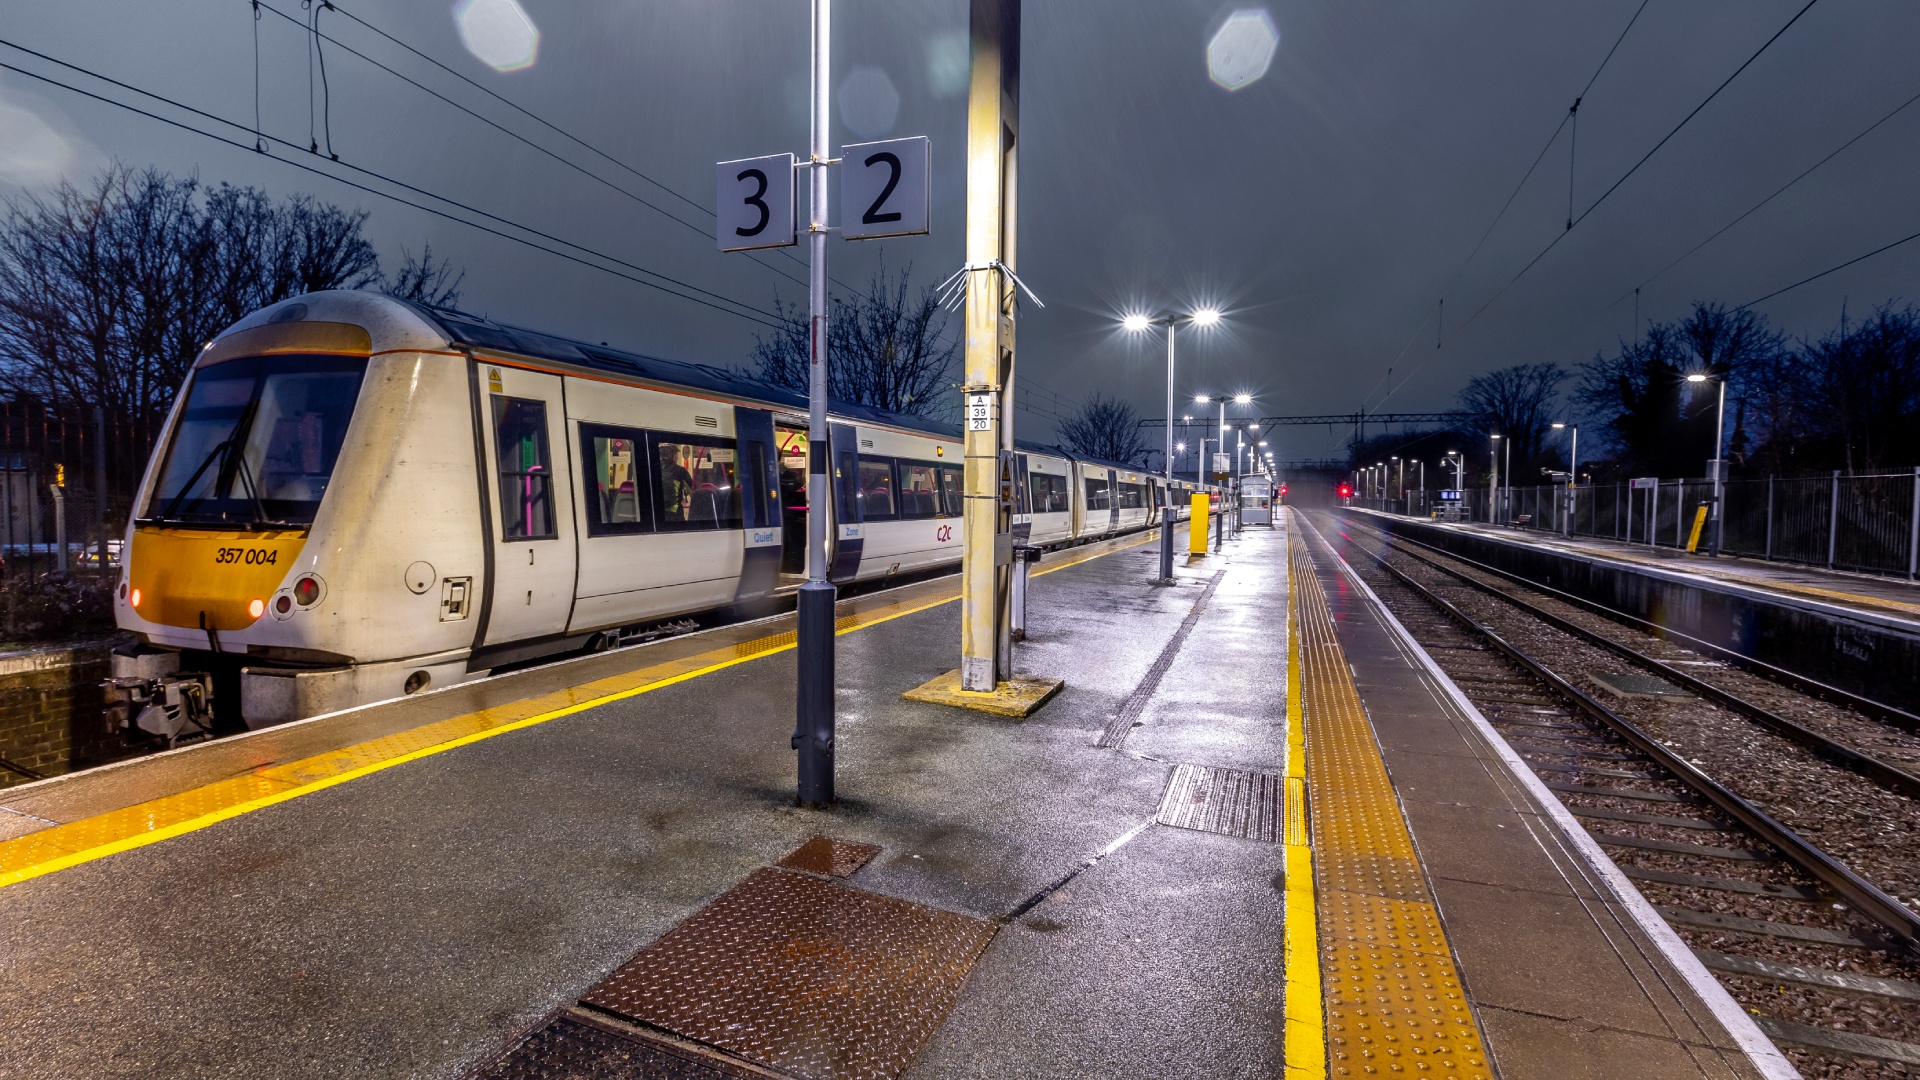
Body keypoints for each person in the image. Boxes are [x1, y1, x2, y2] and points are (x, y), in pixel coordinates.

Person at [658, 444, 695, 522]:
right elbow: (693, 490)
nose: (677, 457)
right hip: (675, 514)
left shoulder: (653, 470)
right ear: (672, 455)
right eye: (676, 455)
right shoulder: (680, 471)